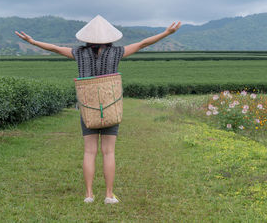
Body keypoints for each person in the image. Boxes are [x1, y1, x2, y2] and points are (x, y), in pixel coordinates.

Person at [15, 15, 181, 204]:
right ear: (110, 37)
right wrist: (167, 33)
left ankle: (89, 195)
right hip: (111, 108)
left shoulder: (78, 53)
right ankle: (109, 195)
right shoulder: (117, 52)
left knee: (89, 151)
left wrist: (32, 41)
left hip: (88, 109)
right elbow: (143, 43)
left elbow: (53, 48)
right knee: (108, 152)